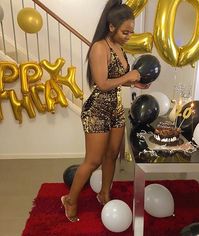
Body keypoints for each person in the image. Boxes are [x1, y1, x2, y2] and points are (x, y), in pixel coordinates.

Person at [61, 0, 150, 222]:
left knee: (112, 155)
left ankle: (105, 193)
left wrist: (133, 84)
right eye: (125, 31)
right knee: (93, 161)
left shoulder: (120, 48)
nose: (129, 36)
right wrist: (128, 77)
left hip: (116, 109)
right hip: (97, 110)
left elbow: (117, 80)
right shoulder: (99, 47)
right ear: (111, 27)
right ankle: (70, 200)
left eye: (131, 32)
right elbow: (101, 83)